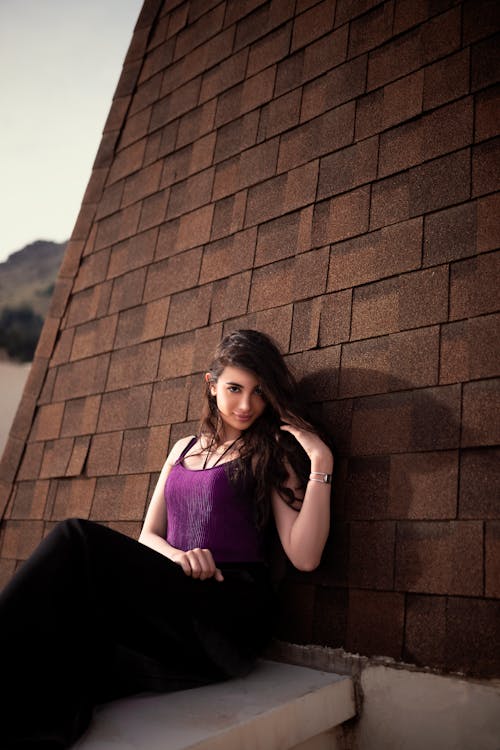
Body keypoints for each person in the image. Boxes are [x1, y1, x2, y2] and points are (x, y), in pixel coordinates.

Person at [1, 328, 333, 749]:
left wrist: (320, 462)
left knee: (75, 538)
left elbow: (304, 556)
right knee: (78, 643)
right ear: (211, 387)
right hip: (177, 595)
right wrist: (178, 557)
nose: (247, 404)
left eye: (258, 392)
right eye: (234, 389)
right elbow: (148, 536)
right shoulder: (181, 449)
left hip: (227, 610)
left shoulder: (269, 452)